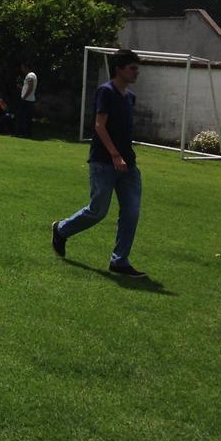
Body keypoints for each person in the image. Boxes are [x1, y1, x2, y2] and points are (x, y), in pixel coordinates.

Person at [52, 50, 147, 278]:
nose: (136, 72)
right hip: (104, 162)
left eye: (137, 68)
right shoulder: (106, 92)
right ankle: (61, 229)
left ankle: (119, 261)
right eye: (132, 68)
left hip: (129, 166)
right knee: (98, 211)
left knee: (131, 212)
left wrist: (125, 156)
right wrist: (114, 155)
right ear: (119, 69)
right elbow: (99, 125)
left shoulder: (130, 97)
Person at [15, 61, 37, 136]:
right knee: (27, 117)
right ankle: (27, 133)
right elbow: (29, 87)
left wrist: (24, 97)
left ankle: (20, 133)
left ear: (26, 67)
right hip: (30, 99)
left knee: (21, 117)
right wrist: (21, 88)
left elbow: (30, 88)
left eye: (22, 67)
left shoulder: (30, 76)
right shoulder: (33, 75)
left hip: (26, 100)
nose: (22, 69)